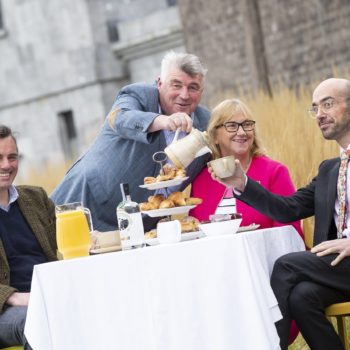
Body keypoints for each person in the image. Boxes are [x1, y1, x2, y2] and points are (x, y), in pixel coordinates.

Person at [208, 78, 350, 350]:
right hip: (339, 269)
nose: (320, 114)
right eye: (315, 108)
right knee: (301, 296)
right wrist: (242, 184)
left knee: (285, 265)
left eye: (328, 104)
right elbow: (288, 209)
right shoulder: (330, 169)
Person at [51, 51, 211, 232]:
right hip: (85, 205)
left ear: (201, 91)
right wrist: (162, 121)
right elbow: (119, 118)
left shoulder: (206, 123)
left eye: (193, 87)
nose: (184, 95)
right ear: (159, 83)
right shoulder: (138, 95)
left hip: (140, 228)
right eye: (176, 85)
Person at [190, 98, 303, 238]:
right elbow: (195, 233)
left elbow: (290, 233)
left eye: (247, 125)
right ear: (214, 137)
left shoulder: (274, 172)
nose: (242, 132)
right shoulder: (201, 179)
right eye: (232, 125)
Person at [0, 125, 57, 349]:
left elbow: (64, 243)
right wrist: (14, 297)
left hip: (49, 295)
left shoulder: (37, 197)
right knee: (34, 321)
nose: (6, 165)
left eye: (12, 157)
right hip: (8, 309)